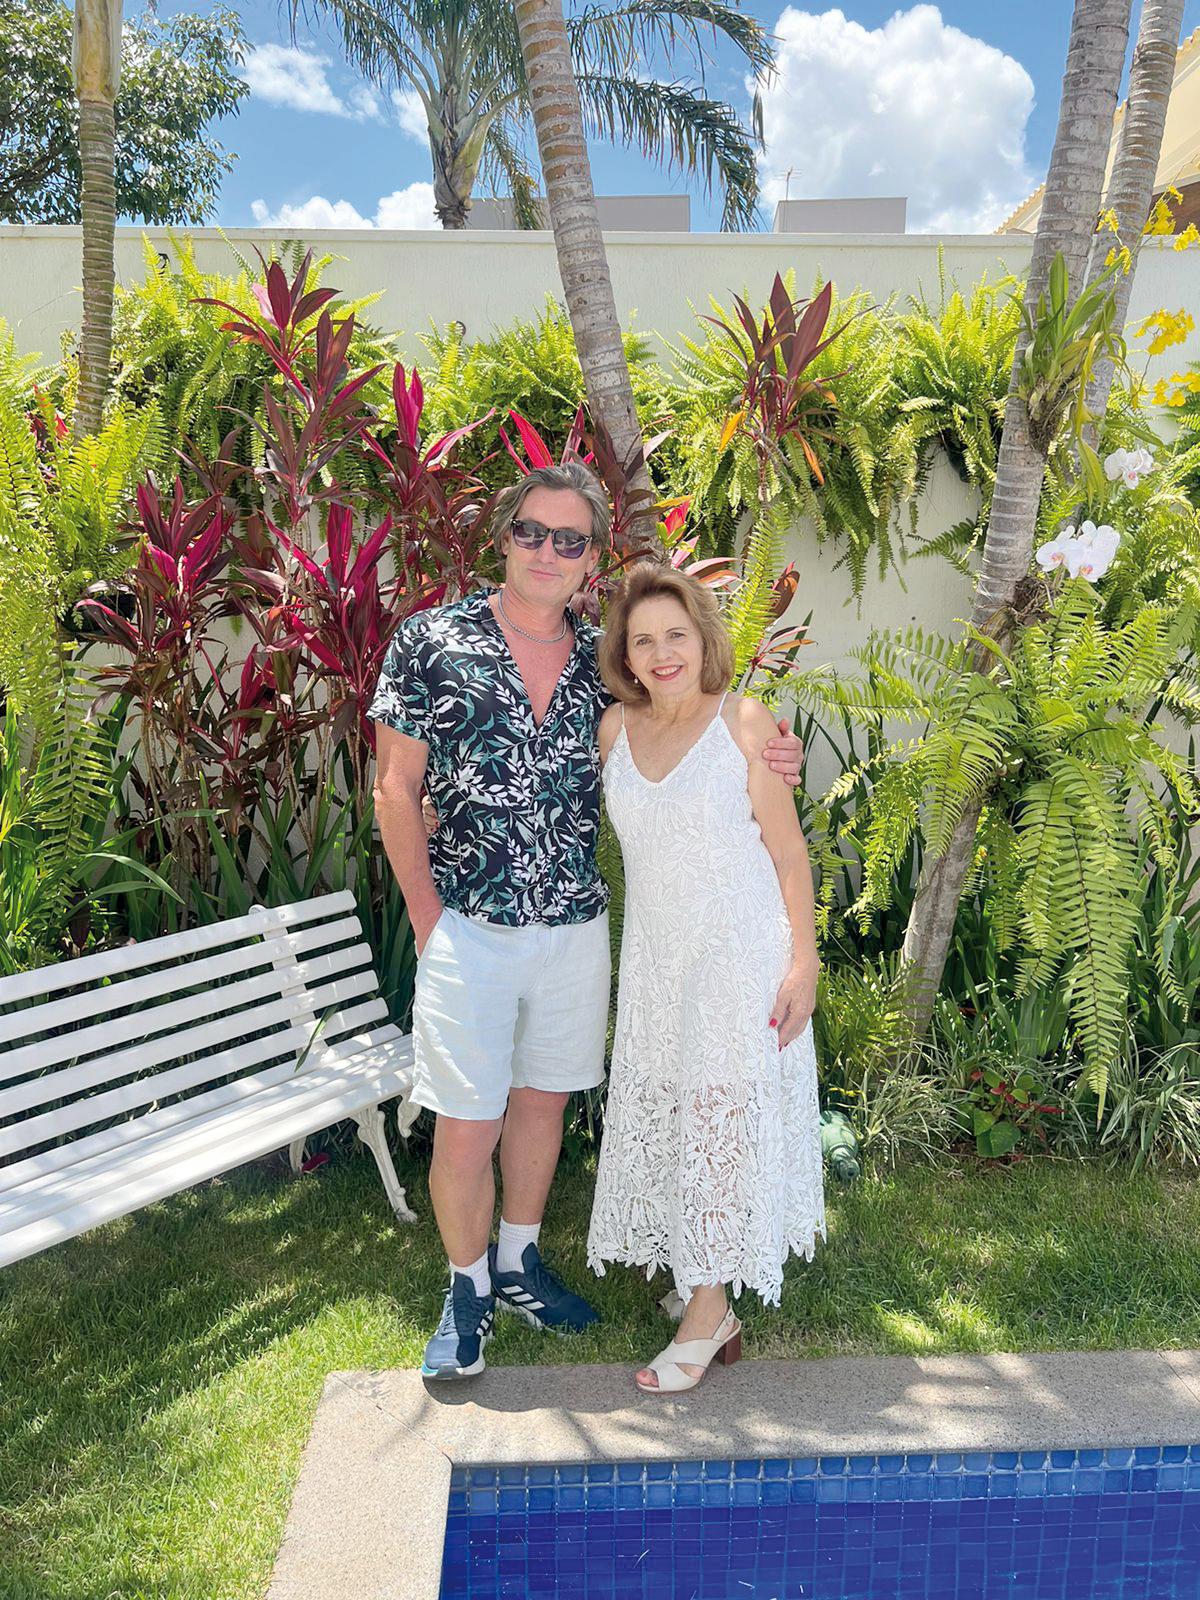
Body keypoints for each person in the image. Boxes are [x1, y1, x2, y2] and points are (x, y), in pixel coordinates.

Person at [368, 463, 803, 1381]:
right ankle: (464, 1289)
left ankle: (520, 1260)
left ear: (590, 559)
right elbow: (396, 789)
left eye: (570, 541)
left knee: (543, 1104)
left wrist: (775, 746)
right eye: (534, 532)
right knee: (464, 1123)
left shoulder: (604, 678)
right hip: (469, 928)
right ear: (506, 535)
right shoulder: (430, 642)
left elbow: (694, 732)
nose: (548, 553)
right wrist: (429, 919)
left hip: (573, 927)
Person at [587, 563, 825, 1394]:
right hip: (658, 958)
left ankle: (711, 1309)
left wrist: (805, 959)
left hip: (738, 952)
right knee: (681, 1106)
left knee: (719, 1110)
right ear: (625, 654)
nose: (661, 654)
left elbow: (787, 851)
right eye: (643, 640)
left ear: (703, 640)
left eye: (676, 636)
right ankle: (701, 1268)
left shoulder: (744, 722)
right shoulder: (615, 730)